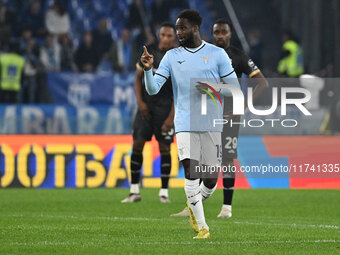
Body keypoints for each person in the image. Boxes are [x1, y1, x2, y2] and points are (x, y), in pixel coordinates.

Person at [141, 10, 240, 239]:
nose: (179, 33)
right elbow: (153, 89)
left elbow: (235, 90)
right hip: (185, 122)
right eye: (177, 29)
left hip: (212, 124)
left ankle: (194, 200)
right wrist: (148, 70)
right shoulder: (172, 57)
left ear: (195, 28)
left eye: (183, 28)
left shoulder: (217, 55)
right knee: (191, 171)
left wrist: (210, 89)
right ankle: (203, 228)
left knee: (211, 179)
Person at [171, 19, 269, 219]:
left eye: (224, 32)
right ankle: (192, 205)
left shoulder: (239, 56)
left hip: (229, 115)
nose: (221, 36)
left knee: (226, 158)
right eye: (217, 32)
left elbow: (262, 83)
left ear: (230, 34)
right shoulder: (203, 54)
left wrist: (243, 106)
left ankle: (227, 207)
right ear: (212, 33)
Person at [121, 22, 176, 204]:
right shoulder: (148, 52)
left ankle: (164, 192)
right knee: (137, 145)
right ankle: (134, 191)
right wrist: (140, 102)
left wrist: (172, 116)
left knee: (164, 148)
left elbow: (180, 91)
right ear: (159, 35)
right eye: (163, 35)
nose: (166, 38)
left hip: (165, 108)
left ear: (174, 38)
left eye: (169, 36)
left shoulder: (178, 58)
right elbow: (137, 80)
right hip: (146, 107)